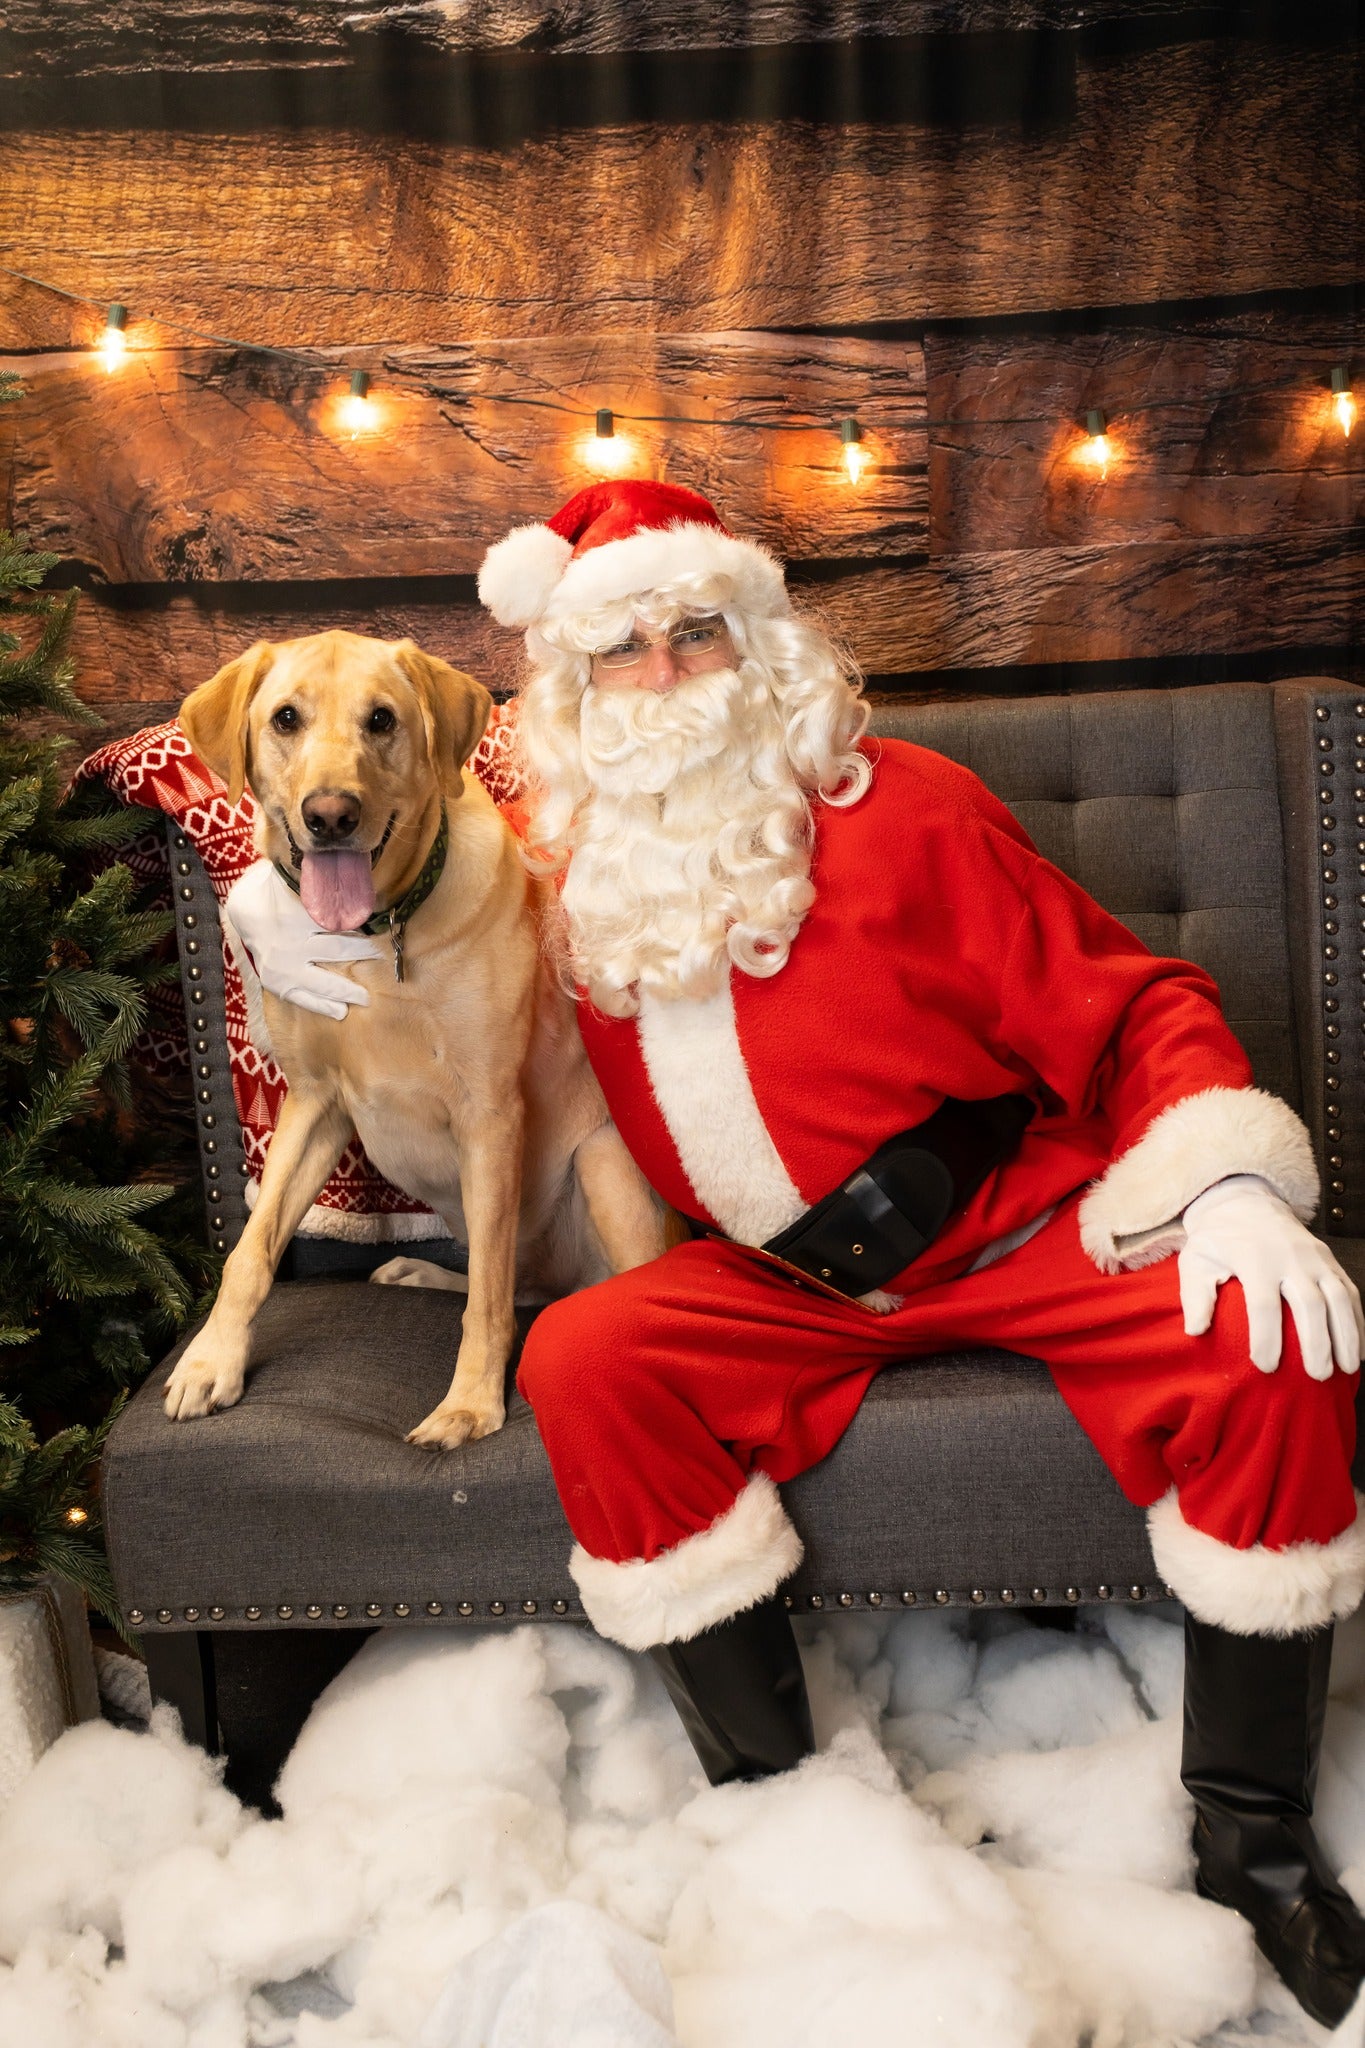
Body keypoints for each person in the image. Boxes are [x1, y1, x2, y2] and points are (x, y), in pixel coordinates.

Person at [240, 478, 1365, 2030]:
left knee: (1262, 1338)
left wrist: (1228, 1187)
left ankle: (1254, 1840)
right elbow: (419, 917)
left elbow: (1125, 1001)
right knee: (588, 1356)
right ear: (566, 693)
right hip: (788, 1285)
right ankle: (771, 1800)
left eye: (693, 634)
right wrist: (282, 908)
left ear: (758, 644)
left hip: (1012, 1221)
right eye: (616, 651)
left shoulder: (905, 808)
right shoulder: (574, 881)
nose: (661, 678)